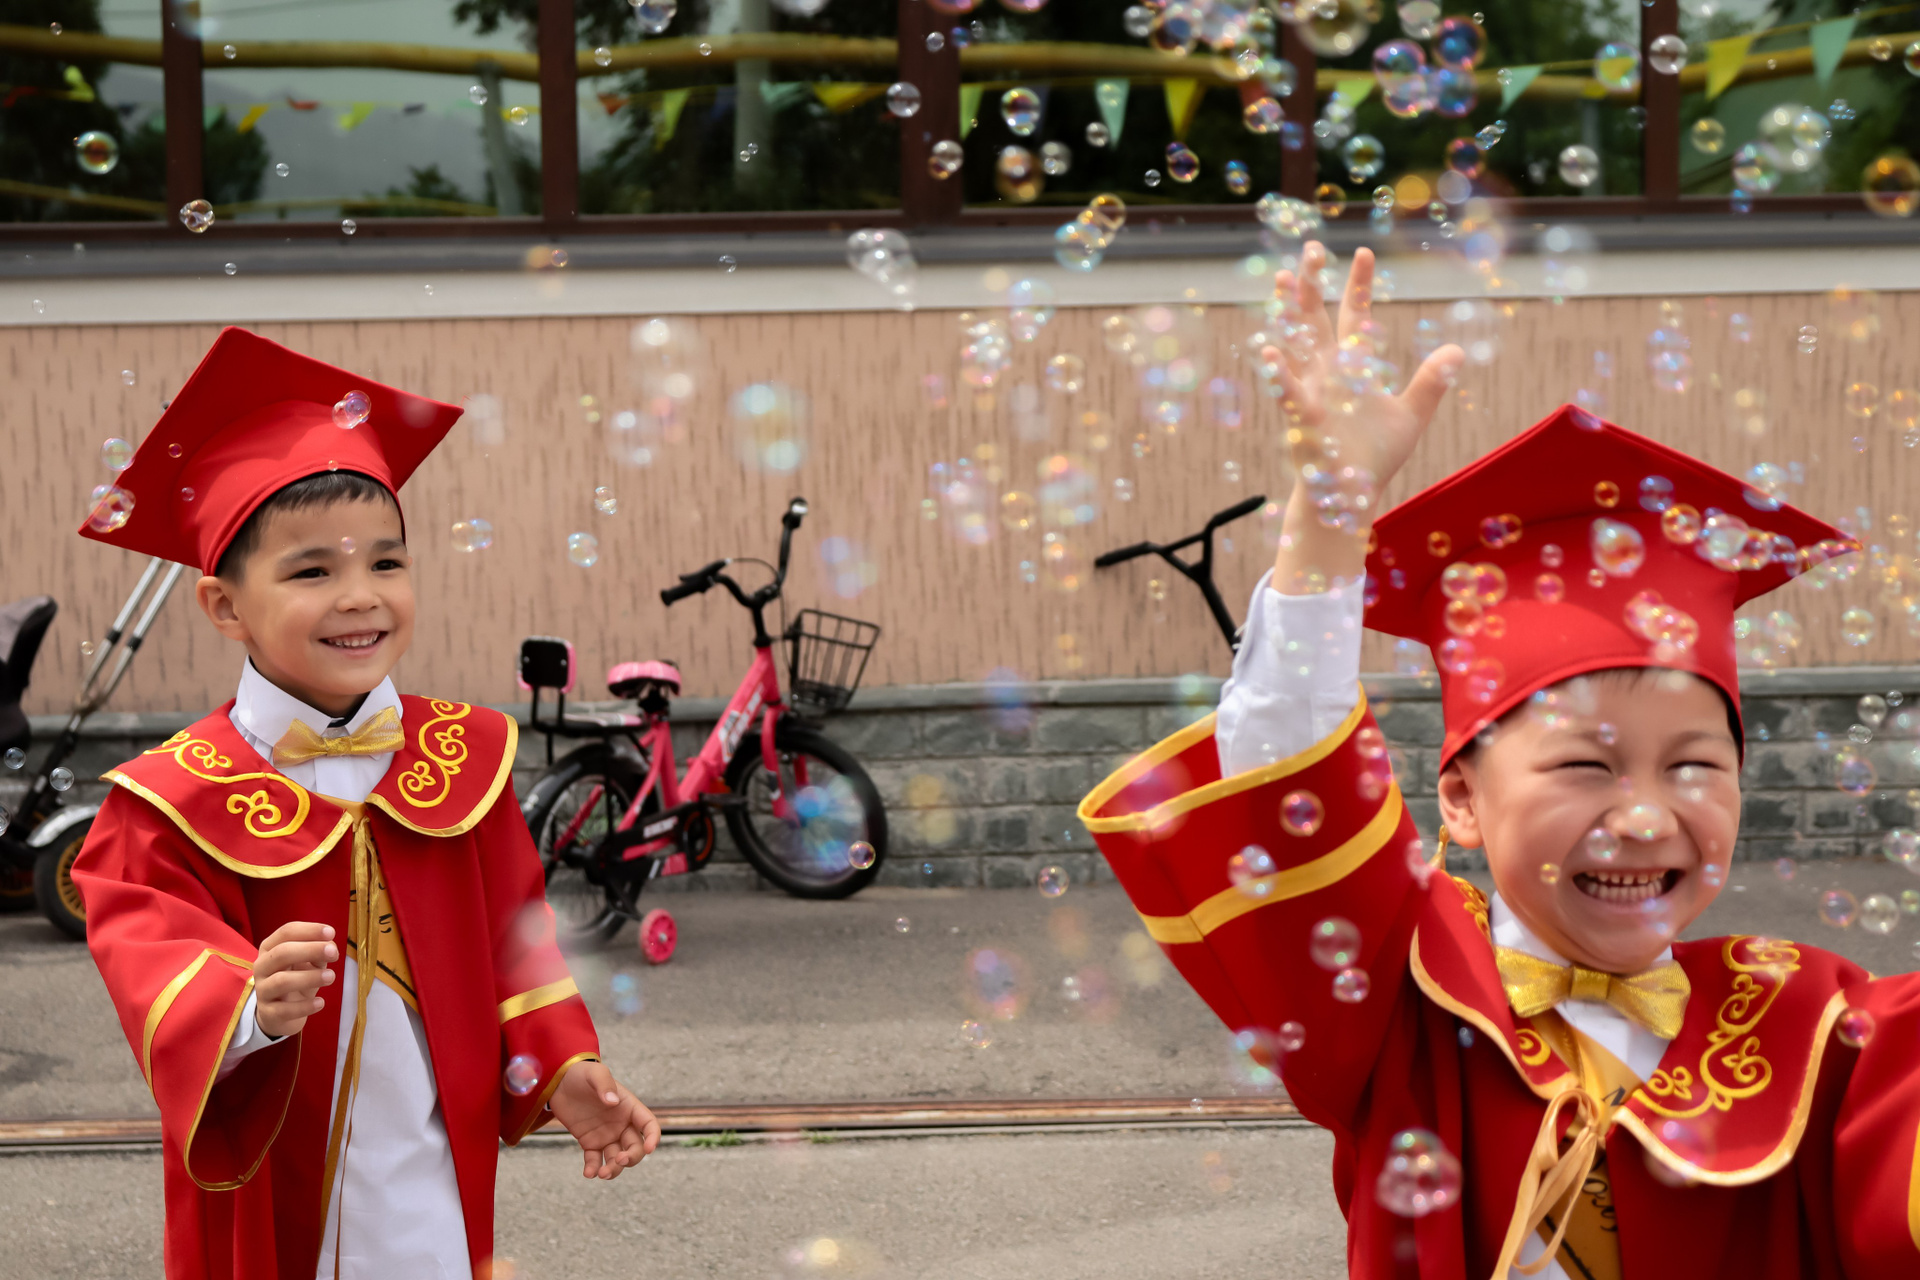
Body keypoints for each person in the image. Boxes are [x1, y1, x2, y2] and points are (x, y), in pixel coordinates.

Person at [1080, 242, 1920, 1277]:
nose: (1647, 815)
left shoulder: (1807, 1020)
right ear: (1462, 798)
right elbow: (1292, 793)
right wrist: (1326, 525)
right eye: (1586, 767)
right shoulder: (1408, 1002)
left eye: (1695, 766)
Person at [70, 327, 661, 1280]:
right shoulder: (166, 802)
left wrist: (561, 1065)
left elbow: (516, 942)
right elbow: (152, 961)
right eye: (312, 572)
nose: (361, 597)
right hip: (271, 1174)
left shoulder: (463, 759)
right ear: (225, 606)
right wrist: (248, 1004)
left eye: (387, 564)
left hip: (429, 1173)